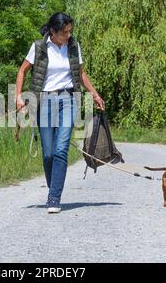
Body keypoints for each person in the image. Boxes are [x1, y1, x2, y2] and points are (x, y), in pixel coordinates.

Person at [15, 12, 105, 214]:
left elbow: (80, 73)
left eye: (70, 31)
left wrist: (95, 95)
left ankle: (54, 197)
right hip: (44, 100)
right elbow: (22, 71)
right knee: (48, 153)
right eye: (65, 32)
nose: (68, 35)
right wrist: (18, 96)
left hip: (68, 99)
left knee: (60, 149)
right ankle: (53, 186)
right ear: (53, 32)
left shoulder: (73, 46)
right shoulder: (39, 47)